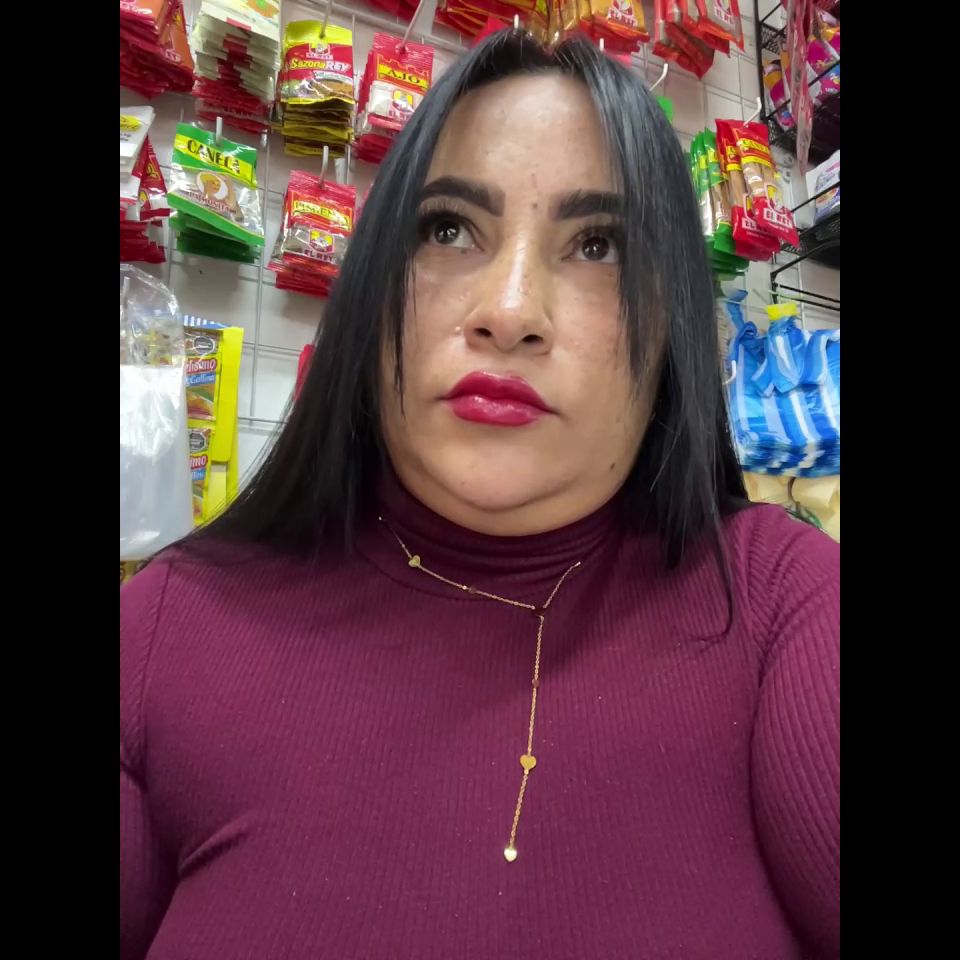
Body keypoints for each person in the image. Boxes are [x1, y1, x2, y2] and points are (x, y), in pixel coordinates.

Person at [120, 31, 840, 960]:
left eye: (599, 246)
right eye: (449, 229)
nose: (510, 310)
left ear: (671, 325)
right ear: (375, 280)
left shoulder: (788, 608)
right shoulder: (162, 634)